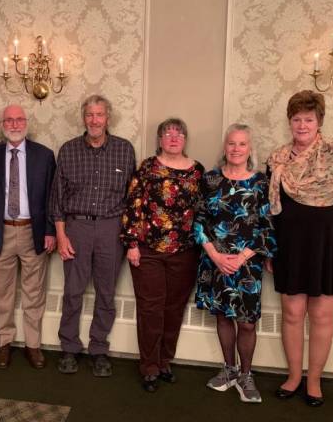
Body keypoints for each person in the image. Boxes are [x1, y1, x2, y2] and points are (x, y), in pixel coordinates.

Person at [267, 90, 333, 407]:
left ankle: (314, 381)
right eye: (296, 119)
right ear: (290, 122)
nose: (302, 125)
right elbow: (268, 210)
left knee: (322, 317)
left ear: (319, 122)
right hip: (290, 247)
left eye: (308, 119)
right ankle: (294, 376)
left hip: (331, 247)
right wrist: (271, 249)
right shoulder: (277, 160)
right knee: (292, 314)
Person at [50, 94, 136, 377]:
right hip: (77, 228)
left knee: (106, 293)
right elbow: (57, 199)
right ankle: (69, 348)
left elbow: (131, 198)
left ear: (107, 118)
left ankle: (99, 349)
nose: (94, 120)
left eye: (99, 115)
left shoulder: (124, 150)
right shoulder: (69, 150)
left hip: (112, 228)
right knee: (73, 291)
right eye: (90, 115)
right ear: (84, 118)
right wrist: (61, 236)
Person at [194, 124, 276, 403]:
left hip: (247, 265)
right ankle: (229, 370)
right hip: (214, 262)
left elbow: (267, 227)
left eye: (242, 144)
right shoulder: (210, 179)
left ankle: (246, 375)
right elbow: (199, 222)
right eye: (231, 144)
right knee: (223, 317)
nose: (236, 149)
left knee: (247, 323)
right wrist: (216, 256)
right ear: (225, 147)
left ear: (250, 148)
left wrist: (241, 257)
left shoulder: (261, 183)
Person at [121, 118, 204, 392]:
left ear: (185, 139)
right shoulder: (147, 167)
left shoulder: (197, 171)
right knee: (150, 308)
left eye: (179, 133)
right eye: (167, 133)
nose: (173, 137)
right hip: (148, 251)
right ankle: (149, 367)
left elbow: (204, 211)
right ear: (160, 139)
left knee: (173, 309)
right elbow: (133, 205)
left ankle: (165, 361)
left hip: (185, 252)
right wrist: (131, 244)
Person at [0, 105, 56, 370]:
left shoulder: (44, 156)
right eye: (9, 120)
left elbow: (51, 197)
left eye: (19, 119)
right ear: (2, 123)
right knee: (3, 293)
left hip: (32, 231)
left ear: (26, 123)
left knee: (34, 293)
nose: (14, 124)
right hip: (0, 231)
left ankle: (33, 346)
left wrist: (49, 230)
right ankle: (3, 344)